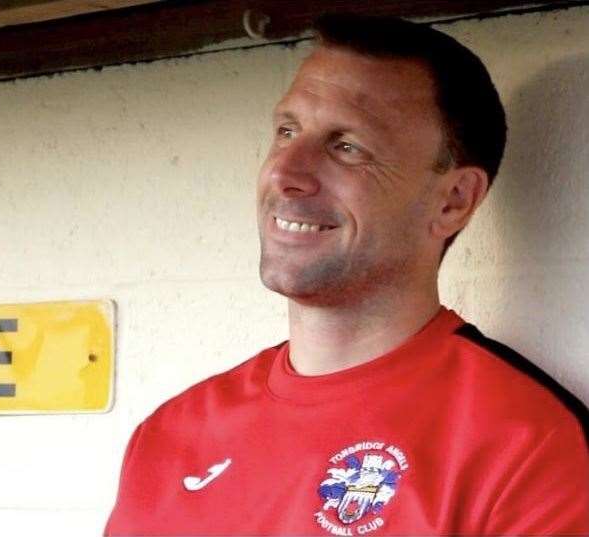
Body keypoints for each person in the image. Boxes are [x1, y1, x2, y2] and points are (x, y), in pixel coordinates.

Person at [105, 14, 589, 536]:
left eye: (347, 147)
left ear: (452, 201)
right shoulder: (172, 434)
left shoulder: (527, 444)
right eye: (286, 131)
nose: (284, 173)